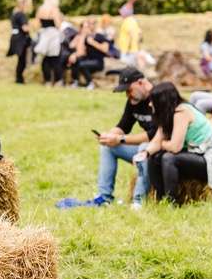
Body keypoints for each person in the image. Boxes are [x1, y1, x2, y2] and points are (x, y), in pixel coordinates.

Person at [56, 66, 154, 209]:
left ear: (140, 83)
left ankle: (138, 202)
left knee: (146, 148)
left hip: (161, 149)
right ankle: (104, 197)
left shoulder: (158, 97)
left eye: (129, 90)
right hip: (145, 147)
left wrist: (120, 139)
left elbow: (155, 134)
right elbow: (123, 126)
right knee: (108, 148)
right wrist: (110, 135)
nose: (128, 95)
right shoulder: (134, 101)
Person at [145, 82, 212, 206]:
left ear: (162, 101)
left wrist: (161, 145)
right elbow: (156, 141)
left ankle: (172, 203)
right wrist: (145, 153)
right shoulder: (167, 114)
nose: (150, 104)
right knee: (154, 157)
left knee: (168, 158)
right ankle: (160, 201)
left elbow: (175, 147)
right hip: (196, 153)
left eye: (152, 100)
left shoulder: (181, 112)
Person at [67, 16, 110, 88]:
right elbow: (77, 49)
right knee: (75, 61)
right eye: (88, 23)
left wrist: (93, 43)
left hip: (97, 61)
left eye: (91, 23)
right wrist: (83, 35)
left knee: (82, 64)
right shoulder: (85, 37)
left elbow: (105, 49)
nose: (89, 25)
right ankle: (75, 82)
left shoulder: (100, 36)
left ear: (95, 25)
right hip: (87, 60)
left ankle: (91, 83)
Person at [32, 0, 64, 86]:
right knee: (54, 58)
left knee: (45, 59)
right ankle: (58, 81)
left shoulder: (41, 9)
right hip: (53, 35)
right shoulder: (54, 9)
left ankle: (47, 81)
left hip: (44, 35)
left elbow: (36, 24)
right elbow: (58, 25)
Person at [7, 0, 33, 84]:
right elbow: (25, 28)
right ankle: (19, 78)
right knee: (22, 60)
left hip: (15, 37)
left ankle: (19, 78)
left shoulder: (15, 13)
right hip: (21, 39)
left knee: (21, 60)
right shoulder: (21, 14)